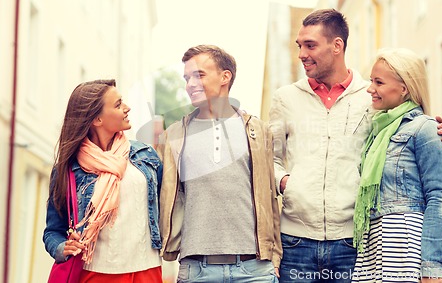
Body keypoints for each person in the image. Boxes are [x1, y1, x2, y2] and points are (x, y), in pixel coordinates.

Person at [268, 9, 442, 283]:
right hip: (297, 241)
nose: (301, 54)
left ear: (337, 46)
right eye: (300, 46)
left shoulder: (371, 98)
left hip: (354, 242)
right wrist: (287, 182)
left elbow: (405, 134)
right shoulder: (285, 98)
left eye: (310, 45)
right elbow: (269, 161)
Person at [157, 45, 282, 283]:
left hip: (255, 270)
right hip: (197, 270)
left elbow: (269, 198)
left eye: (199, 75)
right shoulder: (174, 136)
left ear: (226, 77)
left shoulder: (258, 131)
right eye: (187, 78)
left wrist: (274, 258)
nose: (190, 84)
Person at [43, 79, 163, 283]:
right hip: (95, 273)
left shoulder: (146, 157)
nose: (127, 108)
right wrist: (63, 248)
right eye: (117, 105)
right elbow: (53, 231)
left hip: (147, 270)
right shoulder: (69, 168)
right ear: (97, 119)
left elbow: (165, 208)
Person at [351, 47, 442, 283]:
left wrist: (431, 269)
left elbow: (438, 199)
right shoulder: (378, 132)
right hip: (374, 245)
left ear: (404, 88)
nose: (370, 89)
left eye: (379, 82)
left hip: (406, 247)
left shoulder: (425, 129)